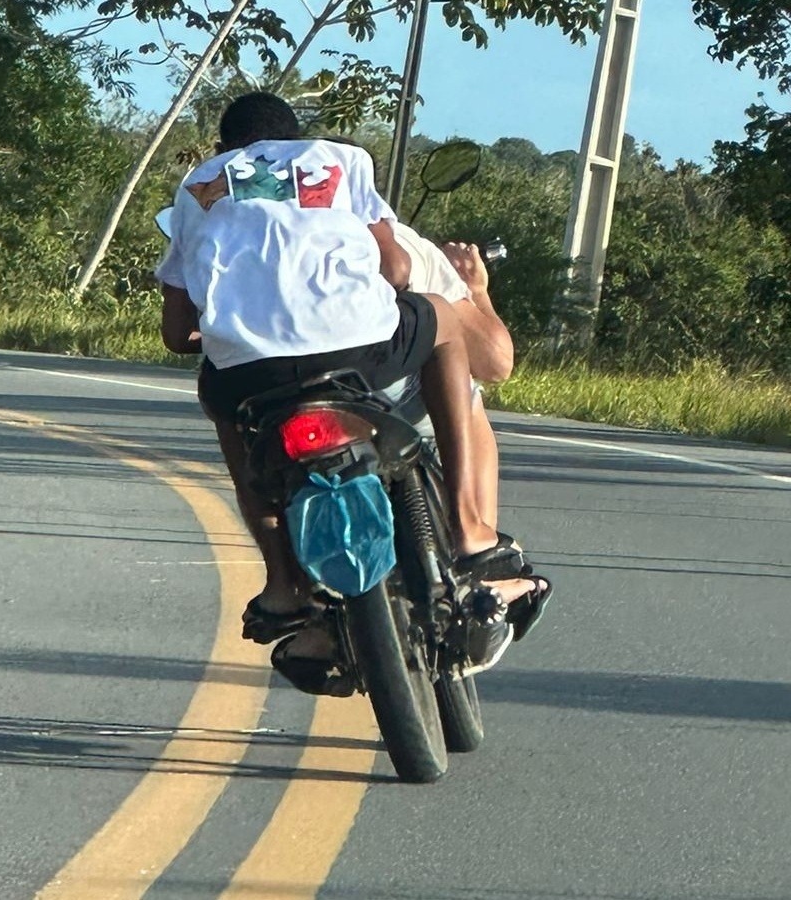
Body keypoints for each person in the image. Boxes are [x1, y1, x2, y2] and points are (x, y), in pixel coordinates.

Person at [154, 92, 526, 676]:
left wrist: (237, 332)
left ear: (226, 148)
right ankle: (469, 529)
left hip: (257, 375)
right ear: (294, 136)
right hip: (360, 352)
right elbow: (398, 272)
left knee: (216, 393)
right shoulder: (337, 160)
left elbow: (177, 333)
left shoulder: (199, 185)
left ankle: (283, 582)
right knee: (447, 323)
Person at [389, 223, 552, 639]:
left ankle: (291, 590)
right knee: (465, 382)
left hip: (269, 391)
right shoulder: (397, 241)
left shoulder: (217, 226)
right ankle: (477, 545)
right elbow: (496, 361)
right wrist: (476, 291)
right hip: (377, 392)